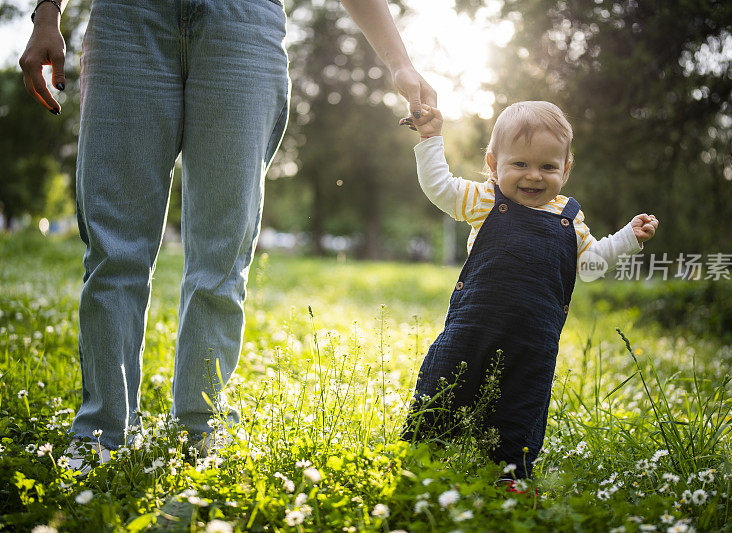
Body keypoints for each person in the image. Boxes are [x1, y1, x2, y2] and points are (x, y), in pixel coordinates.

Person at [19, 0, 436, 470]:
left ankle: (200, 429)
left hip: (241, 25)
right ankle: (102, 432)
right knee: (114, 250)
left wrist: (400, 63)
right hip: (127, 19)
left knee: (222, 255)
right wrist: (48, 13)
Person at [401, 101, 658, 480]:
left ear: (566, 169)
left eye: (548, 167)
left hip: (534, 341)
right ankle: (420, 458)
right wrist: (430, 138)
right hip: (474, 326)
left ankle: (510, 475)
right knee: (445, 384)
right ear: (493, 164)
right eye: (520, 164)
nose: (533, 176)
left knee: (521, 406)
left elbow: (590, 266)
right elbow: (440, 187)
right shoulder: (486, 200)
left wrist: (626, 238)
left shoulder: (569, 220)